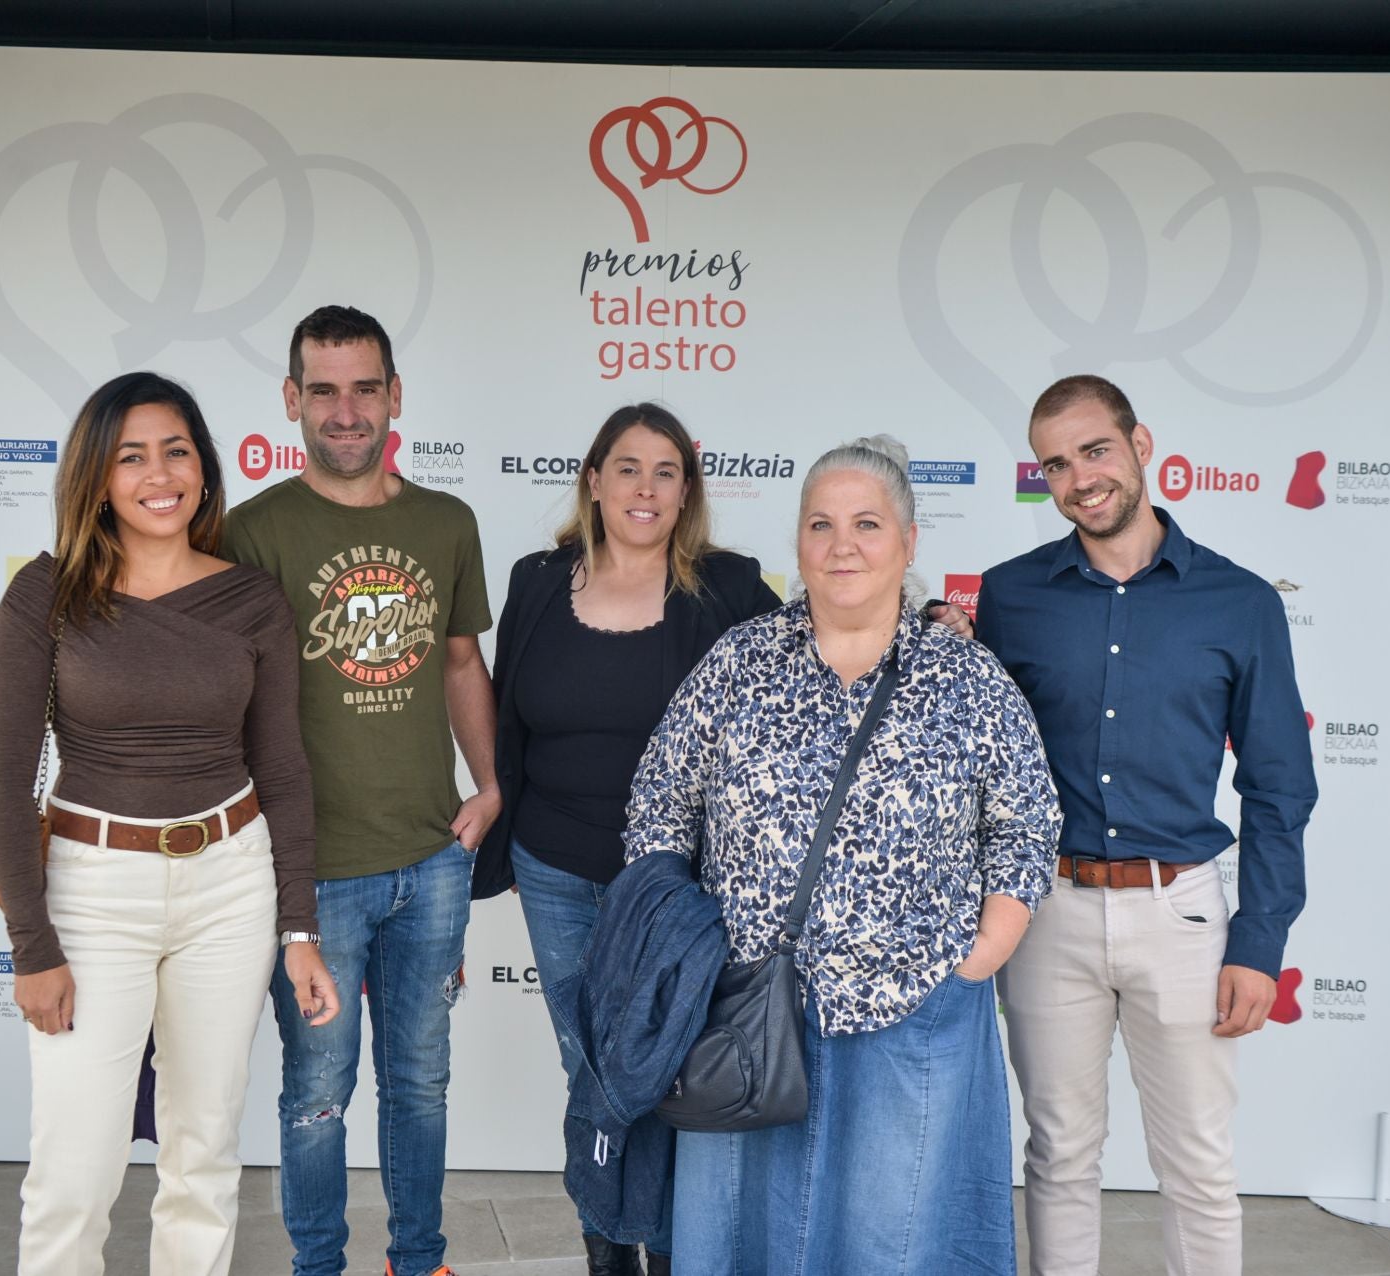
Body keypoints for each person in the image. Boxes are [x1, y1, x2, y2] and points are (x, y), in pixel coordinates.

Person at [624, 435, 1062, 1274]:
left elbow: (1025, 824)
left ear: (908, 540)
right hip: (749, 1014)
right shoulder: (741, 663)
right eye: (820, 524)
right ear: (798, 542)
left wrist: (983, 955)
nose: (842, 545)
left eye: (866, 523)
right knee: (744, 1237)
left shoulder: (966, 679)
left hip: (912, 1013)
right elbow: (658, 802)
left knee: (890, 1241)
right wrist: (689, 944)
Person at [0, 371, 335, 1276]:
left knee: (205, 1154)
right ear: (97, 478)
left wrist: (298, 928)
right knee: (74, 1170)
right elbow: (6, 783)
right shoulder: (45, 596)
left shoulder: (252, 600)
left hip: (231, 883)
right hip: (95, 888)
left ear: (205, 468)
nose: (158, 473)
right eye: (131, 455)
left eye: (176, 450)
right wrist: (32, 946)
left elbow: (285, 771)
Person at [977, 375, 1319, 1276]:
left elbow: (1281, 786)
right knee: (1057, 1157)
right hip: (1047, 910)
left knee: (1199, 1167)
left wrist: (1261, 938)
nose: (1079, 477)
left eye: (1095, 450)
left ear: (1140, 445)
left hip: (1186, 918)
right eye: (1056, 463)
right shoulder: (1012, 597)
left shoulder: (1240, 602)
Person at [221, 305, 497, 1276]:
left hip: (430, 859)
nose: (346, 410)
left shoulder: (445, 522)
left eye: (365, 387)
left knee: (420, 1084)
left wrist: (491, 785)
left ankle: (418, 1261)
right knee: (318, 1091)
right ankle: (318, 1267)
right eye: (324, 389)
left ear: (395, 396)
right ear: (292, 400)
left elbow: (462, 662)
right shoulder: (250, 533)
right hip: (312, 875)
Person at [480, 403, 779, 1276]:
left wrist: (928, 624)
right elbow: (506, 716)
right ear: (593, 479)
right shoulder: (538, 580)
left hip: (675, 883)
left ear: (687, 490)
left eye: (666, 472)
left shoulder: (726, 589)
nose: (645, 490)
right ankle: (609, 1249)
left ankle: (669, 1245)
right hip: (554, 867)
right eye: (628, 469)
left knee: (664, 1070)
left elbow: (818, 650)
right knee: (595, 1071)